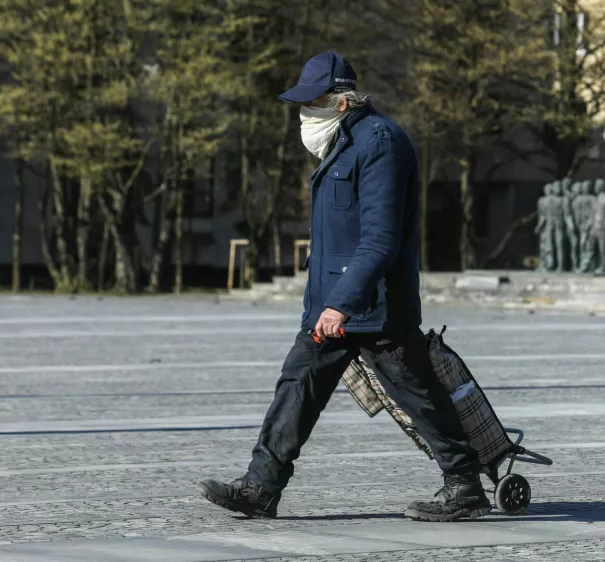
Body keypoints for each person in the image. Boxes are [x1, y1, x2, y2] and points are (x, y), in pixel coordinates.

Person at [198, 52, 489, 523]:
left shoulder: (380, 143)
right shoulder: (343, 143)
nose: (303, 113)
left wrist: (342, 303)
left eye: (310, 103)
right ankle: (260, 487)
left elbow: (380, 239)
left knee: (417, 395)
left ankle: (465, 485)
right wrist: (326, 303)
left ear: (340, 102)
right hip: (331, 304)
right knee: (297, 385)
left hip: (375, 306)